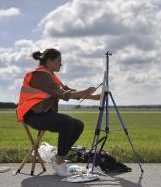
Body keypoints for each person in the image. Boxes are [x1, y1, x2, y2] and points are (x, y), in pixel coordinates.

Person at [16, 48, 100, 177]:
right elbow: (63, 94)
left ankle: (58, 158)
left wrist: (93, 97)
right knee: (67, 122)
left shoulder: (51, 76)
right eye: (59, 61)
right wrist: (86, 92)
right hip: (32, 115)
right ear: (49, 61)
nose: (61, 64)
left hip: (43, 114)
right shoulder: (40, 75)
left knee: (78, 125)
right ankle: (59, 161)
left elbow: (67, 91)